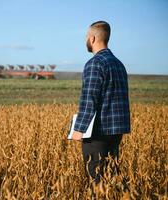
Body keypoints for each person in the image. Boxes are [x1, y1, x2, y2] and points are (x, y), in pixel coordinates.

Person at [72, 21, 131, 184]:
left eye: (86, 36)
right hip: (116, 131)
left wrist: (79, 129)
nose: (85, 40)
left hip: (98, 132)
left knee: (96, 178)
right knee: (112, 177)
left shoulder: (95, 64)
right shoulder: (119, 64)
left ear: (92, 38)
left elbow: (89, 98)